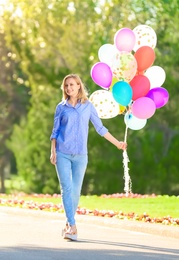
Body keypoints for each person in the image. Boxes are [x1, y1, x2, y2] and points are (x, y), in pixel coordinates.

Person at [50, 74, 127, 241]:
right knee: (66, 189)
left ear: (79, 86)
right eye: (66, 86)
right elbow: (55, 131)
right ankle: (73, 226)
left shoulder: (88, 106)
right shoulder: (61, 107)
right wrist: (53, 151)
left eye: (72, 85)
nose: (69, 88)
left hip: (81, 155)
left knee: (76, 191)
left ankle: (68, 223)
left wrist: (117, 143)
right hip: (62, 153)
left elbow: (100, 128)